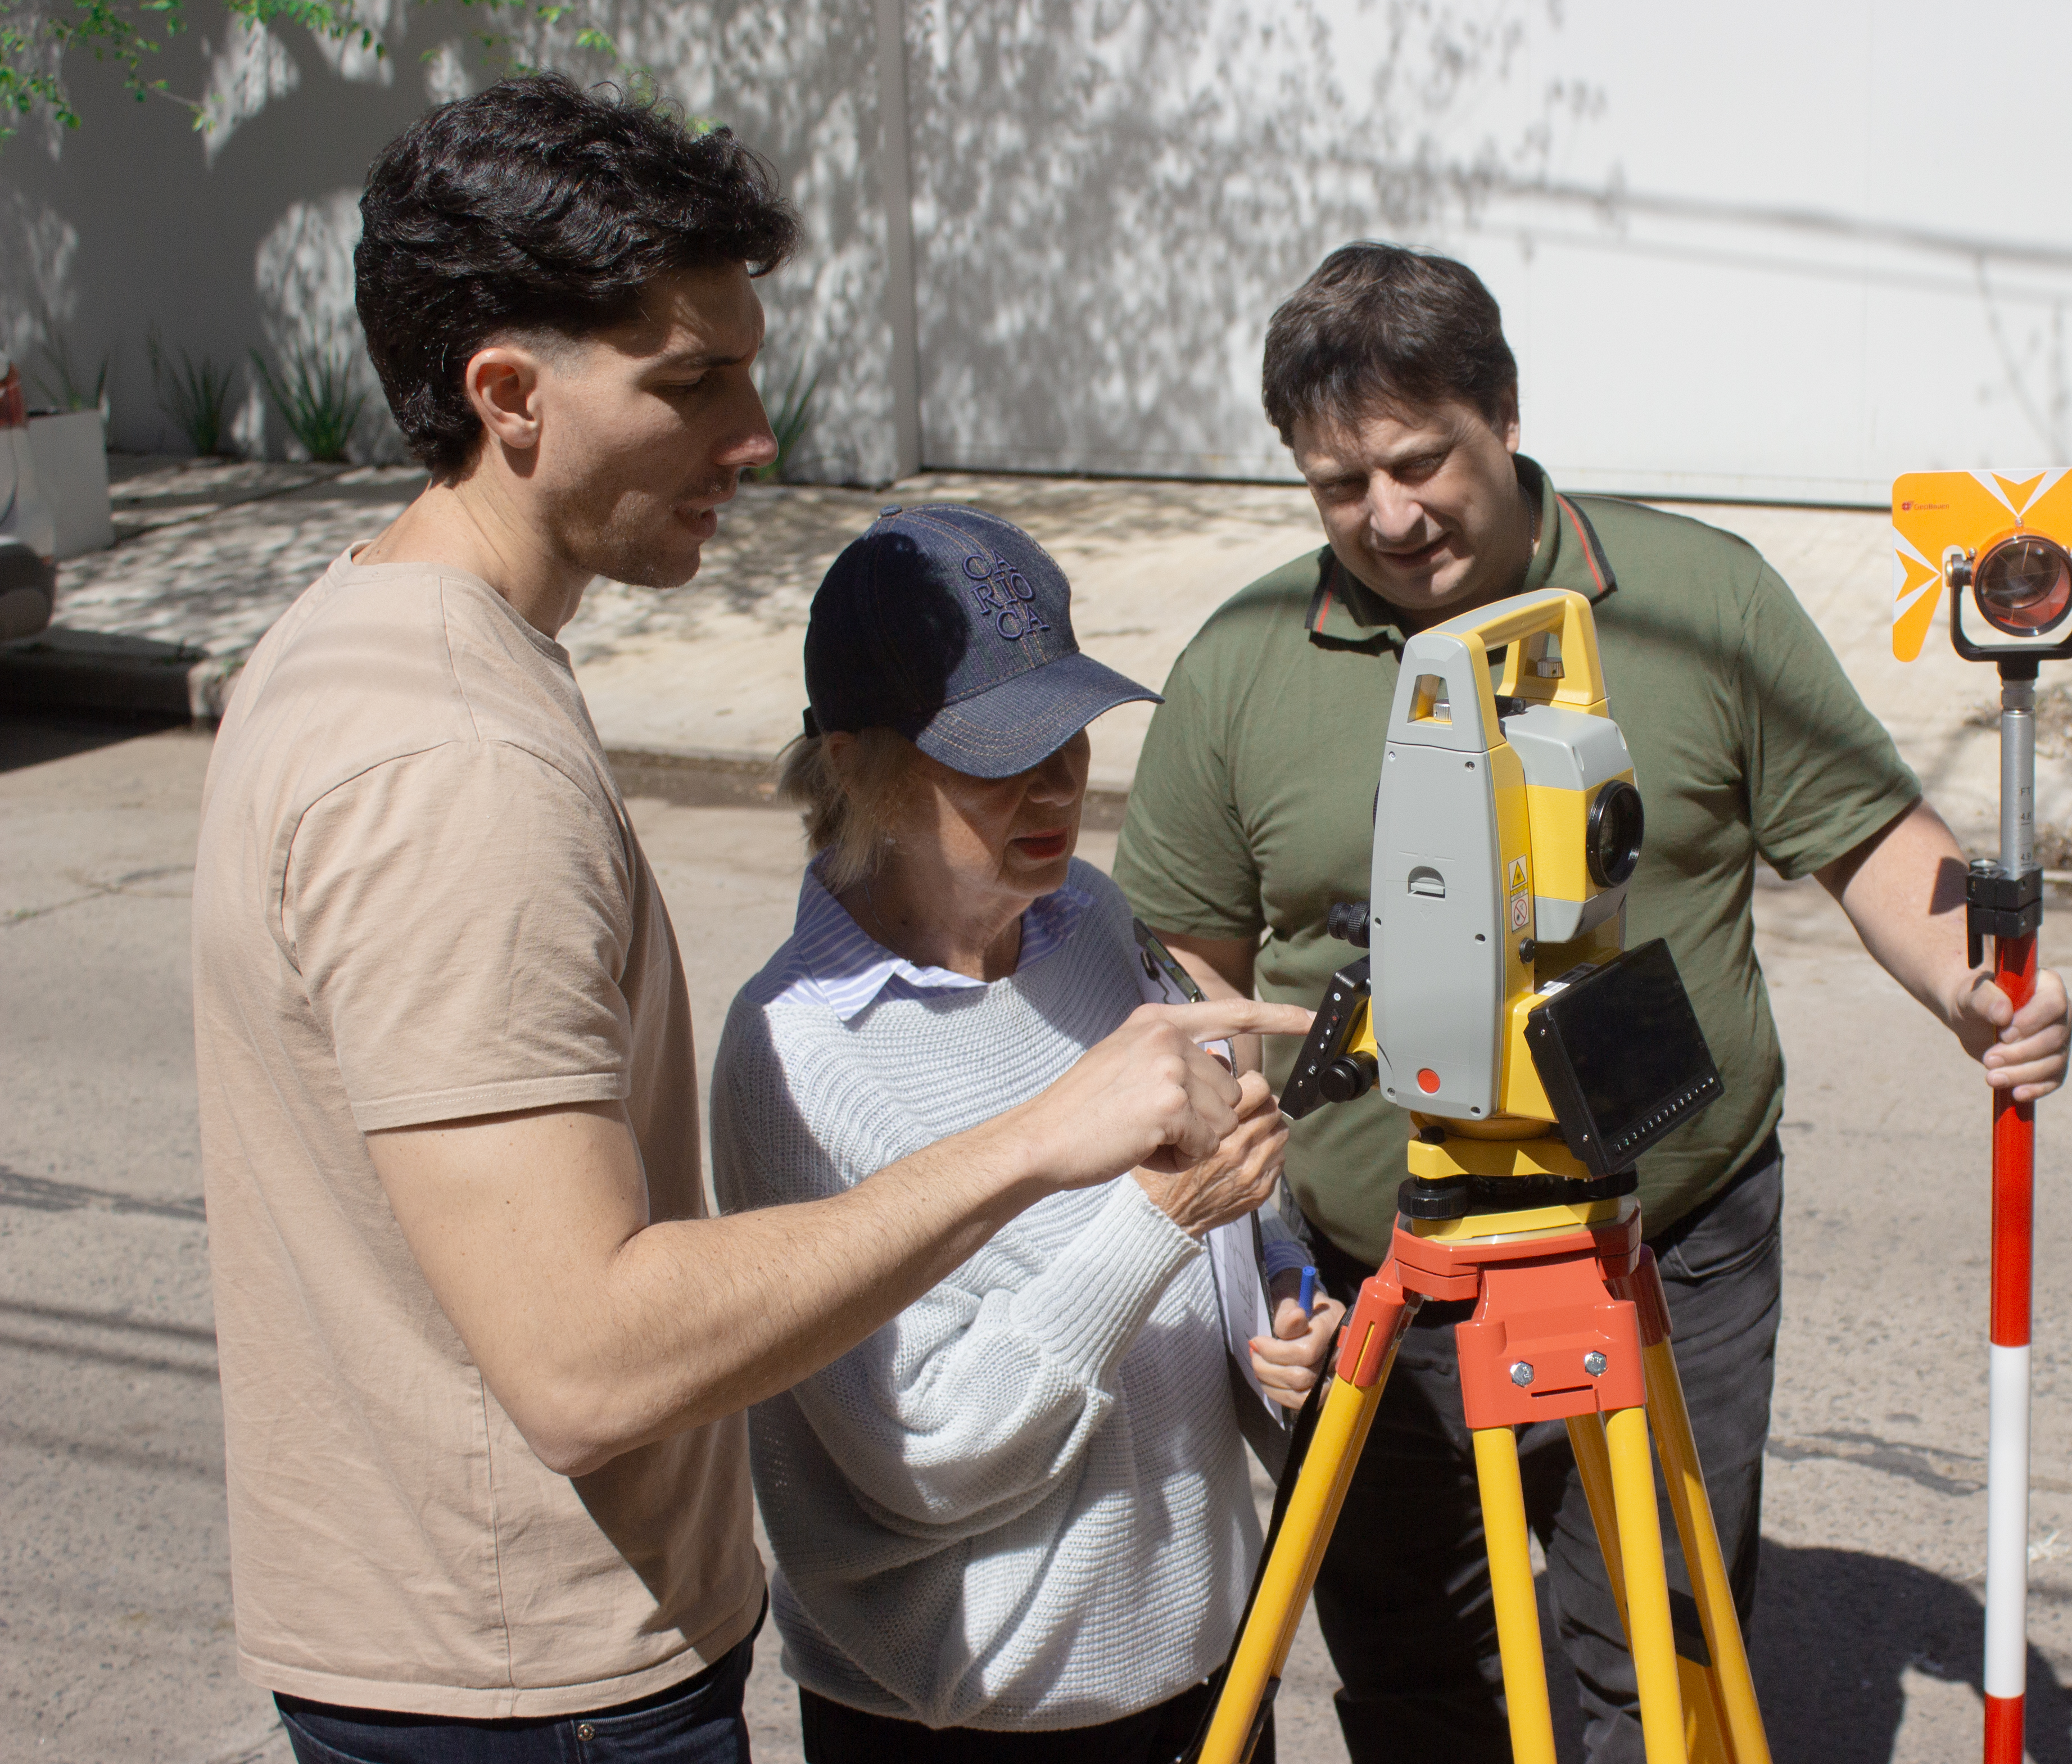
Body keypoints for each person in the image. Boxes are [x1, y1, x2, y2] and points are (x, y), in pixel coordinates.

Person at [191, 78, 1302, 1763]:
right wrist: (1051, 1151)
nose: (756, 433)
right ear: (508, 395)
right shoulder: (453, 760)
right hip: (532, 1685)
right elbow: (583, 1363)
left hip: (506, 1657)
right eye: (690, 380)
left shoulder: (387, 655)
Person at [1111, 242, 2072, 1762]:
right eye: (1337, 486)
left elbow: (1869, 834)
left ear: (1502, 414)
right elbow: (1186, 966)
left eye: (1419, 462)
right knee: (1419, 1669)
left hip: (1666, 1240)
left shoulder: (1700, 601)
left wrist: (1975, 982)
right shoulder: (1242, 662)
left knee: (1656, 1658)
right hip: (1381, 1266)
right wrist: (1249, 1241)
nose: (1387, 517)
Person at [711, 504, 1348, 1763]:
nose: (1058, 784)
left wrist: (1276, 1302)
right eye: (996, 756)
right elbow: (925, 1455)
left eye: (1069, 732)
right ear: (852, 763)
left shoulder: (1089, 919)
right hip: (974, 1718)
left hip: (1208, 1671)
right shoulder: (797, 1051)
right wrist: (1159, 1219)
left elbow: (1207, 1212)